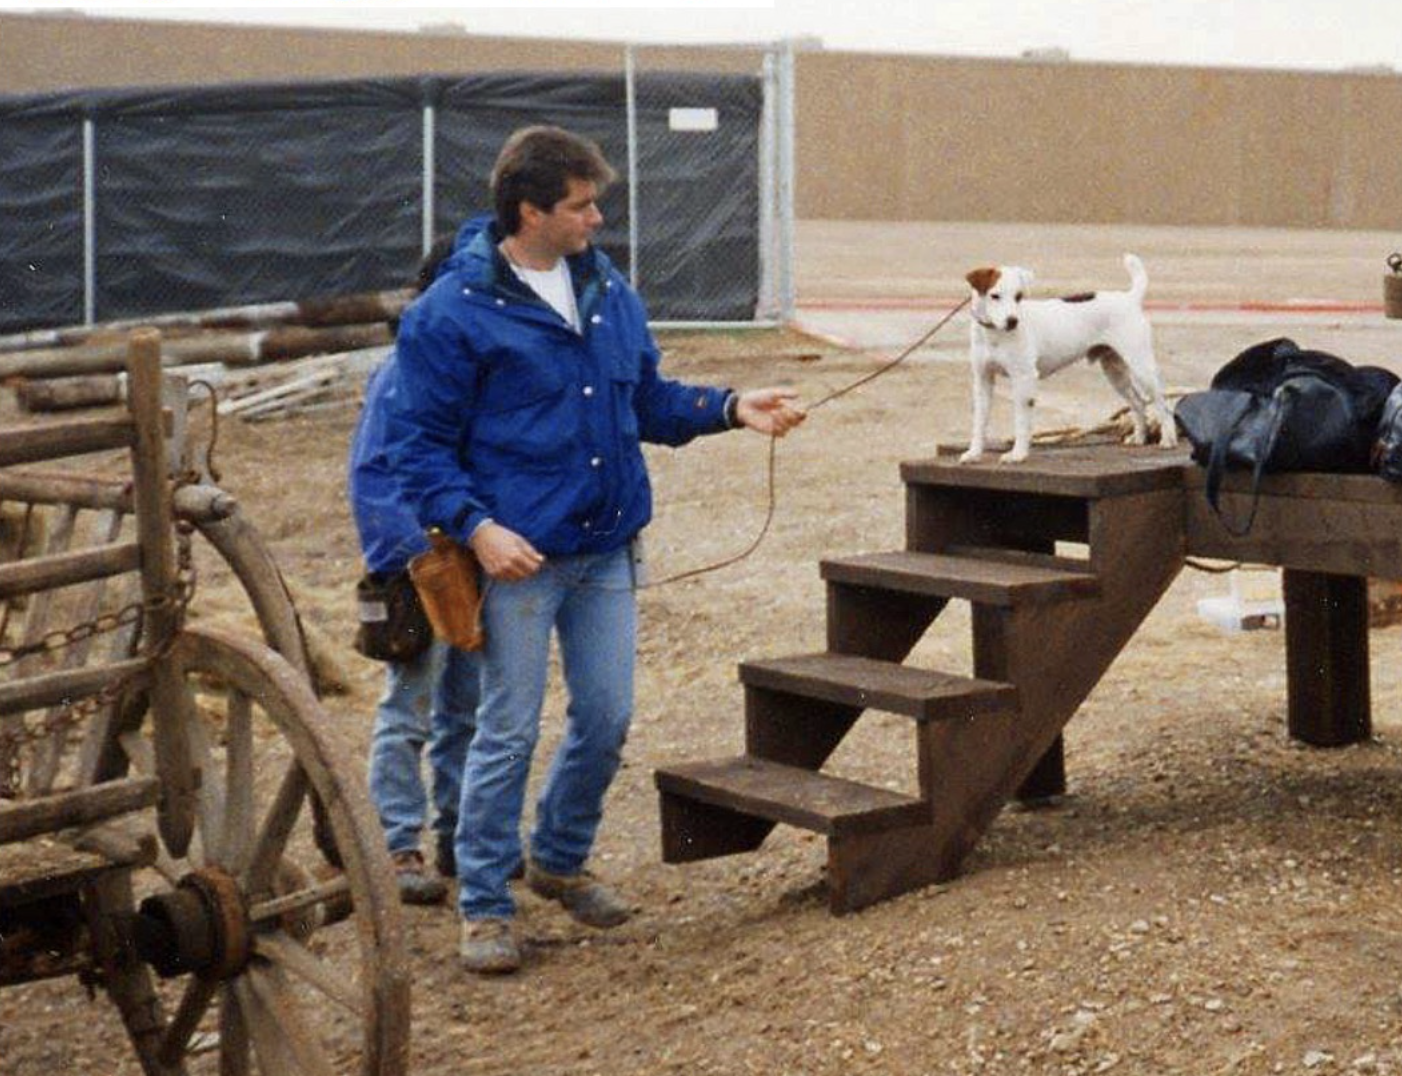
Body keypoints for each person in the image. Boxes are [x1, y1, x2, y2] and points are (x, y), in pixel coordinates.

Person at [384, 124, 805, 974]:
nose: (597, 219)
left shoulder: (607, 288)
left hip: (606, 546)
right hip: (517, 561)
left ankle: (559, 858)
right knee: (506, 732)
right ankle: (486, 905)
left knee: (607, 718)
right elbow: (415, 449)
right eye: (581, 206)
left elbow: (645, 399)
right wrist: (478, 528)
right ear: (530, 210)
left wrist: (730, 408)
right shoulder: (449, 314)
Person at [349, 237, 480, 905]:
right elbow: (374, 476)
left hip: (471, 557)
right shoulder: (403, 373)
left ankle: (459, 835)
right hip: (421, 565)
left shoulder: (473, 369)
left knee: (467, 705)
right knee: (411, 707)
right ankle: (396, 844)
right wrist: (414, 561)